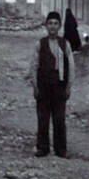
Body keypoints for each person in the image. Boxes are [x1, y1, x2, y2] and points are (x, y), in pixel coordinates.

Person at [28, 11, 74, 157]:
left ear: (59, 26)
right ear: (46, 26)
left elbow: (71, 66)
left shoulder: (65, 44)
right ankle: (43, 147)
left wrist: (68, 86)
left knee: (59, 119)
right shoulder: (40, 44)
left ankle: (61, 150)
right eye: (50, 23)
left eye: (55, 23)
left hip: (59, 86)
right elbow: (34, 66)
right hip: (43, 86)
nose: (53, 26)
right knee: (43, 118)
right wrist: (35, 86)